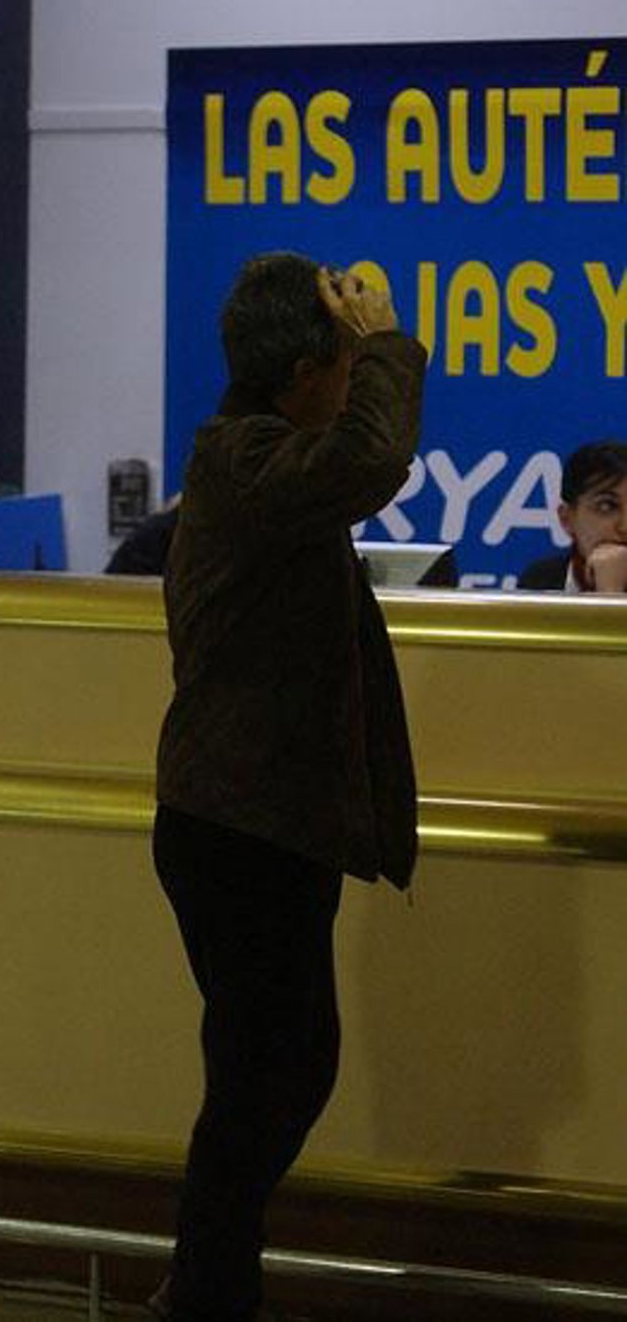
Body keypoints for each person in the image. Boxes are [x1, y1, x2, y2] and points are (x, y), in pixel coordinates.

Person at [151, 251, 427, 1322]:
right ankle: (207, 1293)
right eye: (345, 368)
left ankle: (211, 1284)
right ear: (304, 374)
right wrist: (390, 342)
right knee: (270, 1075)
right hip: (239, 828)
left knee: (275, 1070)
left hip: (260, 824)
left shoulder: (258, 464)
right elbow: (373, 459)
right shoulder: (245, 462)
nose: (354, 388)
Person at [516, 440, 627, 593]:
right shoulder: (538, 581)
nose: (624, 527)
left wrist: (610, 590)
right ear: (567, 519)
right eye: (606, 506)